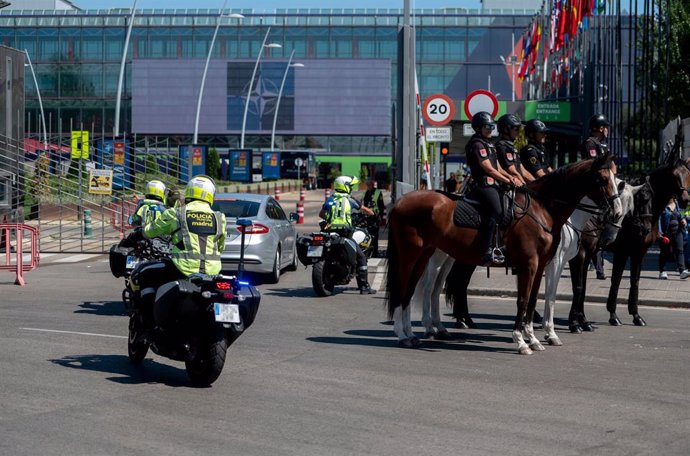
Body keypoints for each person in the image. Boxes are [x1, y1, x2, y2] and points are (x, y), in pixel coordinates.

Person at [131, 175, 227, 326]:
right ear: (210, 195)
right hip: (212, 272)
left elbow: (150, 231)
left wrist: (141, 232)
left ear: (188, 192)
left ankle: (148, 321)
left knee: (145, 274)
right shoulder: (219, 218)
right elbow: (221, 247)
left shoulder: (177, 213)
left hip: (182, 269)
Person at [465, 111, 522, 266]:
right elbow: (489, 169)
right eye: (487, 126)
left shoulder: (489, 144)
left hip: (493, 183)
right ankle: (486, 250)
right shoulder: (477, 144)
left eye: (492, 126)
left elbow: (498, 168)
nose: (490, 129)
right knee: (496, 210)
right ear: (478, 128)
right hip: (483, 184)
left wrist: (511, 178)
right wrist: (507, 180)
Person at [319, 175, 377, 294]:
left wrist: (331, 219)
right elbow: (365, 210)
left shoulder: (331, 199)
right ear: (345, 187)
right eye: (350, 186)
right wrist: (373, 214)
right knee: (361, 257)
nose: (351, 188)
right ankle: (364, 287)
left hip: (329, 232)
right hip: (344, 233)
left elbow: (321, 214)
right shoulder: (350, 200)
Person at [580, 114, 613, 279]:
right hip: (592, 189)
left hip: (605, 186)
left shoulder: (603, 145)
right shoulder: (590, 144)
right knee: (592, 224)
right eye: (605, 126)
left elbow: (611, 166)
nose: (607, 129)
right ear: (600, 128)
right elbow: (594, 166)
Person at [495, 114, 533, 185]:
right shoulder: (502, 146)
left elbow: (523, 171)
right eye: (516, 129)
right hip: (508, 184)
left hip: (517, 182)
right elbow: (511, 171)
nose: (518, 133)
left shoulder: (511, 147)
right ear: (506, 130)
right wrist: (524, 185)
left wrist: (536, 183)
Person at [658, 197, 690, 280]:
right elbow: (658, 219)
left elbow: (680, 214)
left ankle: (682, 271)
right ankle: (662, 271)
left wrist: (683, 219)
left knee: (680, 250)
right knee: (664, 252)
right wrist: (660, 233)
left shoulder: (676, 203)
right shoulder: (662, 205)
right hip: (666, 232)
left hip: (678, 231)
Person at [362, 178, 386, 258]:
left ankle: (375, 253)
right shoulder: (365, 193)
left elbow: (382, 206)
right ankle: (368, 252)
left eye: (369, 184)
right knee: (367, 236)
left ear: (372, 184)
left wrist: (382, 218)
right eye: (367, 185)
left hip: (375, 217)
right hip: (367, 218)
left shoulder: (378, 193)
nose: (368, 186)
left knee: (375, 236)